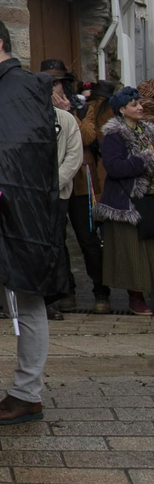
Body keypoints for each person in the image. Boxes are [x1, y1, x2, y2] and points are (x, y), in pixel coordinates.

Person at [0, 16, 70, 424]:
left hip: (15, 212)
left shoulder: (20, 88)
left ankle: (27, 393)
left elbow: (26, 152)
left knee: (26, 299)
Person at [94, 85, 154, 316]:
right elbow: (115, 168)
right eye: (134, 104)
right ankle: (135, 298)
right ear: (121, 110)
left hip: (149, 197)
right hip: (127, 200)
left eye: (139, 103)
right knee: (132, 252)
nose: (140, 107)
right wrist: (146, 159)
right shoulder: (114, 135)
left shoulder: (147, 130)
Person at [73, 83, 114, 313]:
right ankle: (66, 291)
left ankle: (101, 292)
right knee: (56, 240)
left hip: (82, 182)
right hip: (53, 181)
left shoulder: (84, 110)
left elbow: (88, 138)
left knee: (88, 238)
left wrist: (71, 114)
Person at [49, 77, 84, 320]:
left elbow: (74, 156)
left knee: (57, 243)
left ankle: (58, 296)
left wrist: (54, 183)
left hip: (58, 192)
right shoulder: (25, 118)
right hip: (31, 193)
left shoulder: (66, 119)